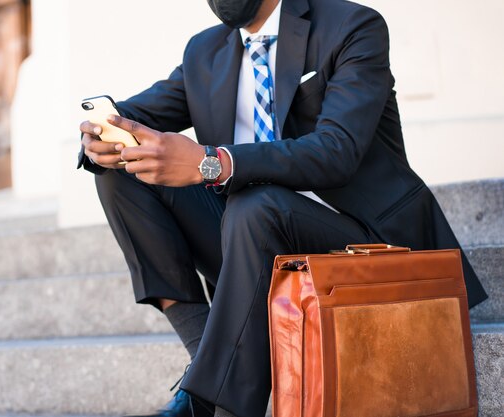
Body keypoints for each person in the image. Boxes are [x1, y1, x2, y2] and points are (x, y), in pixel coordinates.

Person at [77, 0, 488, 416]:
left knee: (256, 203)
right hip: (251, 243)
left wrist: (213, 163)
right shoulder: (205, 51)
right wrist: (102, 137)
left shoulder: (351, 26)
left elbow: (337, 151)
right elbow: (134, 115)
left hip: (360, 242)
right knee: (122, 172)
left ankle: (214, 402)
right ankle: (205, 360)